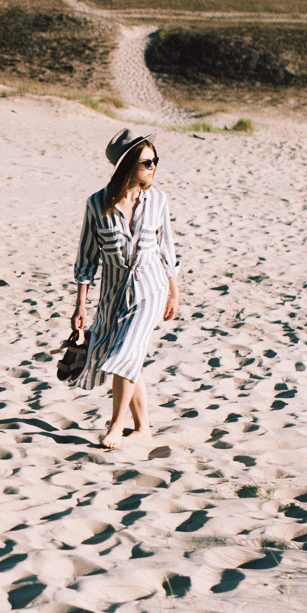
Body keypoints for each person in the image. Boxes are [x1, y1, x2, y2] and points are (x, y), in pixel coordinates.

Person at [71, 129, 179, 449]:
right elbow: (87, 259)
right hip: (113, 293)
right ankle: (143, 427)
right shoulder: (97, 204)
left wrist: (175, 292)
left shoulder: (158, 200)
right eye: (147, 162)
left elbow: (167, 249)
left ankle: (116, 426)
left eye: (155, 161)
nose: (153, 167)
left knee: (125, 353)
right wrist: (80, 305)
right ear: (128, 165)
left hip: (150, 288)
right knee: (126, 356)